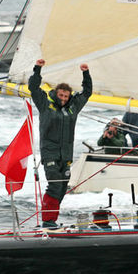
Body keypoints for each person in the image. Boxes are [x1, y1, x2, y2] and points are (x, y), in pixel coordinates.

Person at [29, 58, 92, 229]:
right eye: (61, 95)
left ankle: (52, 219)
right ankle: (48, 221)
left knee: (63, 187)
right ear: (56, 94)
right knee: (55, 185)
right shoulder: (45, 105)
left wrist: (85, 73)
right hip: (50, 153)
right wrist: (38, 69)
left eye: (66, 96)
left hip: (66, 155)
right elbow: (33, 88)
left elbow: (87, 93)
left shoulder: (73, 108)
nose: (63, 98)